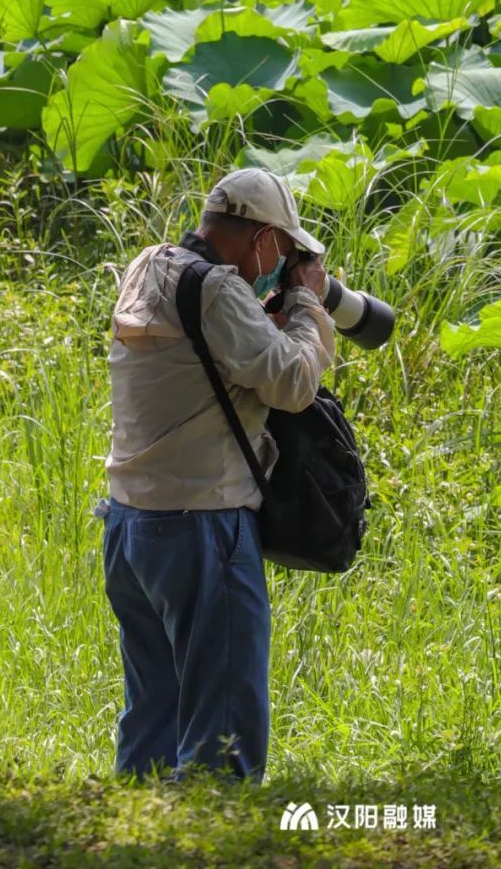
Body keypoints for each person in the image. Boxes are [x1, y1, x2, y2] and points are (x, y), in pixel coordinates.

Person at [100, 166, 335, 785]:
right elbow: (293, 384)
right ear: (260, 237)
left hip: (130, 526)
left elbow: (201, 354)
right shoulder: (218, 292)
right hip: (203, 526)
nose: (278, 261)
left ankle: (134, 843)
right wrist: (308, 302)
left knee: (153, 718)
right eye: (281, 249)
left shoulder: (150, 265)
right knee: (221, 735)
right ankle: (214, 841)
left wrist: (268, 315)